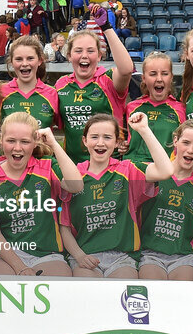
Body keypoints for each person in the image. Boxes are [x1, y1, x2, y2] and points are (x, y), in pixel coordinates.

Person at [61, 112, 173, 279]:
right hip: (85, 257)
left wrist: (144, 130)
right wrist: (79, 256)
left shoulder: (127, 170)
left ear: (117, 142)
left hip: (122, 258)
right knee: (87, 297)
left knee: (121, 296)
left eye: (107, 137)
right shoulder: (74, 176)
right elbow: (64, 226)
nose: (100, 143)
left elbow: (165, 171)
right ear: (85, 141)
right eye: (94, 137)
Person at [0, 112, 83, 276]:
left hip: (48, 254)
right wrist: (20, 267)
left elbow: (76, 186)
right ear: (0, 140)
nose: (17, 147)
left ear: (35, 143)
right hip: (8, 255)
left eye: (25, 142)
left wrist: (54, 144)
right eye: (11, 140)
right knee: (2, 280)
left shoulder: (47, 167)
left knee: (59, 284)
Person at [55, 4, 134, 161]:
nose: (84, 55)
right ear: (69, 56)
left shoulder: (108, 79)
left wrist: (106, 27)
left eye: (90, 51)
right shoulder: (61, 84)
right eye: (78, 51)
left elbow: (126, 69)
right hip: (72, 167)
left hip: (110, 167)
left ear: (99, 56)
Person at [136, 119, 193, 282]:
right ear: (175, 140)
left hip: (184, 256)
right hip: (149, 254)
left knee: (179, 297)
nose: (190, 150)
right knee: (156, 293)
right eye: (186, 142)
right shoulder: (152, 174)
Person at [0, 36, 59, 130]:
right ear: (11, 62)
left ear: (40, 61)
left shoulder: (52, 93)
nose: (24, 64)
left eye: (30, 58)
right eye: (19, 59)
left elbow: (67, 127)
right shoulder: (1, 92)